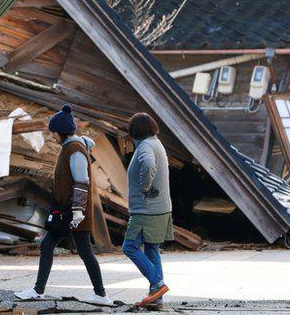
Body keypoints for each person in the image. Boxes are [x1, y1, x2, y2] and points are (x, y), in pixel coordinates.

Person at [15, 105, 114, 307]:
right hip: (65, 210)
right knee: (48, 245)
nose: (52, 136)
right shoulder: (69, 147)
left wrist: (77, 211)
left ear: (60, 131)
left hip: (74, 212)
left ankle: (101, 295)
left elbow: (81, 181)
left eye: (53, 133)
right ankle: (38, 290)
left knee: (84, 251)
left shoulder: (75, 150)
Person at [123, 113, 173, 308]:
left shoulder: (145, 146)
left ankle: (158, 284)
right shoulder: (156, 143)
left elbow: (148, 164)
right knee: (152, 248)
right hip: (161, 207)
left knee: (129, 247)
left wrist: (144, 187)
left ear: (135, 131)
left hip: (146, 209)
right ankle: (156, 298)